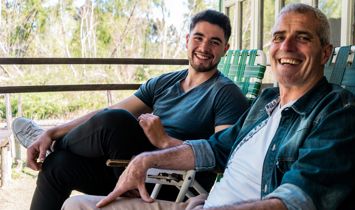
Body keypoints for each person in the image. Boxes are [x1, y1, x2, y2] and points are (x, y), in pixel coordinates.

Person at [62, 3, 355, 210]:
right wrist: (145, 160)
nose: (286, 47)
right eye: (279, 37)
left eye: (302, 38)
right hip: (201, 202)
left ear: (324, 53)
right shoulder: (266, 103)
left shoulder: (338, 113)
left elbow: (295, 199)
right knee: (76, 206)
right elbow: (215, 148)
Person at [12, 9, 250, 210]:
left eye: (214, 42)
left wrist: (165, 141)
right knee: (57, 165)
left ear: (225, 48)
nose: (204, 47)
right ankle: (54, 145)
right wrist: (53, 131)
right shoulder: (164, 83)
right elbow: (105, 113)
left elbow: (225, 158)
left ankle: (55, 145)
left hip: (173, 180)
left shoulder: (227, 94)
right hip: (129, 167)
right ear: (187, 40)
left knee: (118, 121)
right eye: (198, 38)